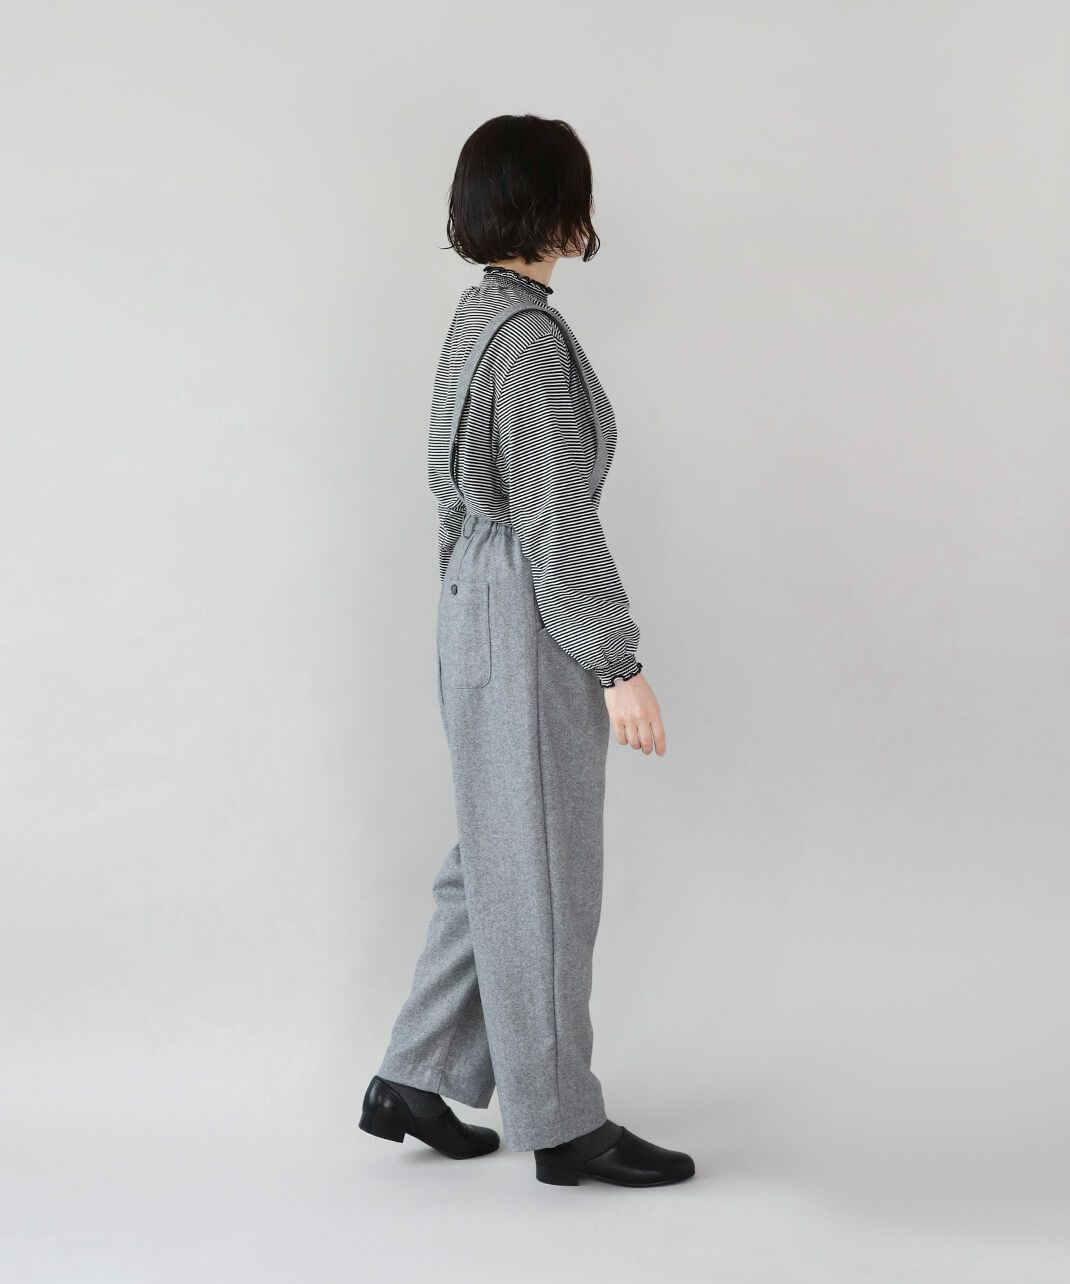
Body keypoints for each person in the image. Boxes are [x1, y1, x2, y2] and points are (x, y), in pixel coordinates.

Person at [360, 114, 694, 1189]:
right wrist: (616, 661)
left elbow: (455, 502)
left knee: (496, 852)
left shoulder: (477, 318)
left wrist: (467, 614)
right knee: (542, 866)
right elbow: (554, 514)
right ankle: (560, 1125)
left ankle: (414, 1075)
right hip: (523, 605)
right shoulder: (527, 337)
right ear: (551, 207)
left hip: (475, 601)